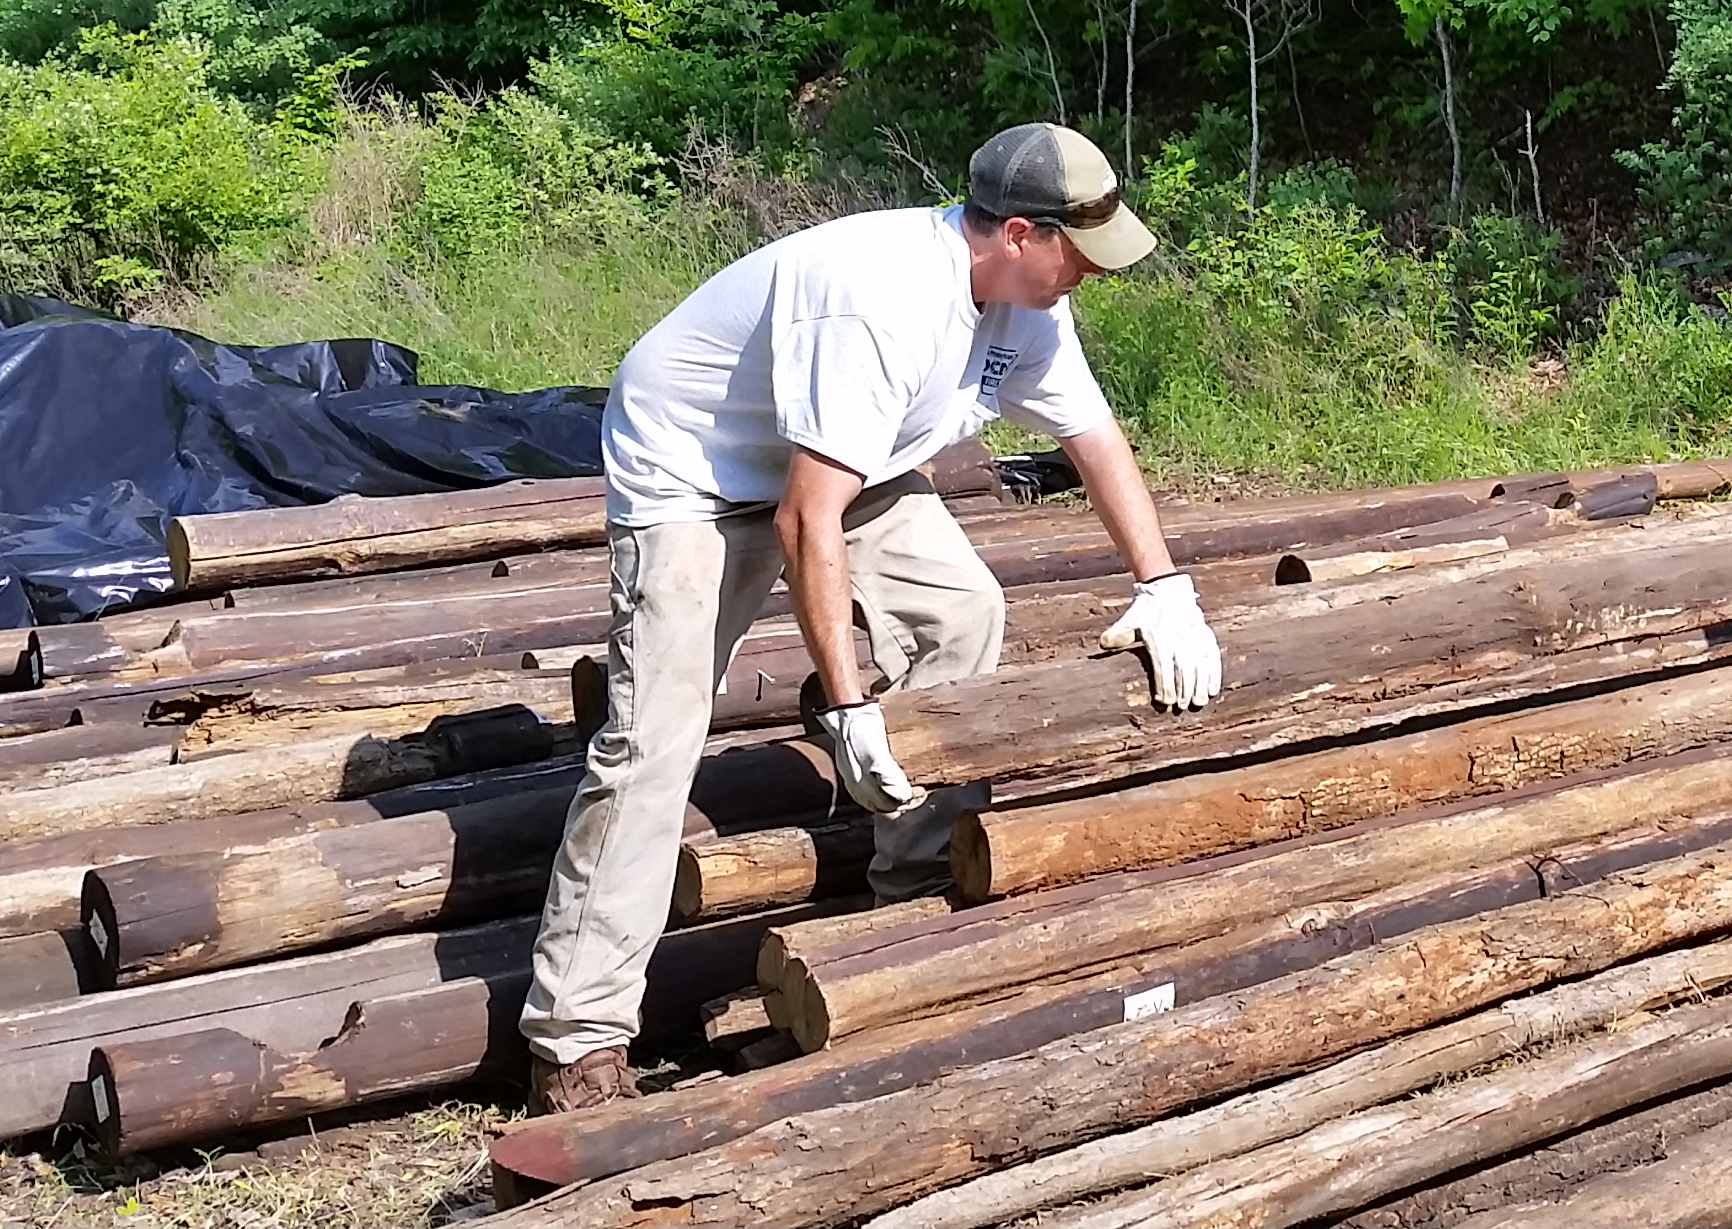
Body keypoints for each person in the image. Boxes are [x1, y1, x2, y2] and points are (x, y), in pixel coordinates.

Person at [517, 123, 1213, 1115]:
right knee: (654, 743)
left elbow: (1092, 435)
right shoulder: (881, 298)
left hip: (849, 461)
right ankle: (576, 1039)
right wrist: (846, 705)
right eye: (1080, 252)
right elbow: (806, 514)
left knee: (961, 614)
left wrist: (1164, 586)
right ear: (1019, 232)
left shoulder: (1031, 304)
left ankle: (910, 897)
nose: (1092, 274)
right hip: (699, 469)